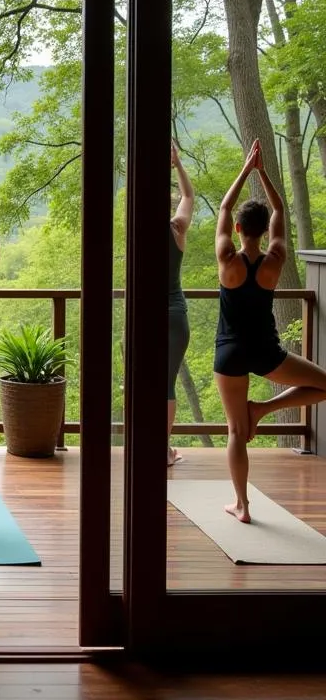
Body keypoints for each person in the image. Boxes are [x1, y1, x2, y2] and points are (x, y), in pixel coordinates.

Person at [214, 139, 326, 523]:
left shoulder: (227, 259)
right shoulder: (274, 260)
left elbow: (225, 208)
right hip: (265, 352)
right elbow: (280, 208)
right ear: (264, 231)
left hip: (229, 353)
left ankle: (242, 506)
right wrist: (263, 173)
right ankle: (264, 409)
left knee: (235, 431)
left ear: (240, 228)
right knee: (324, 384)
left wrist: (246, 169)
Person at [168, 142, 195, 465]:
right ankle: (164, 448)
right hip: (175, 314)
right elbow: (188, 197)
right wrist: (178, 164)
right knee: (166, 383)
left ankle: (153, 444)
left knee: (144, 379)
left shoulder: (136, 232)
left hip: (143, 316)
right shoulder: (177, 229)